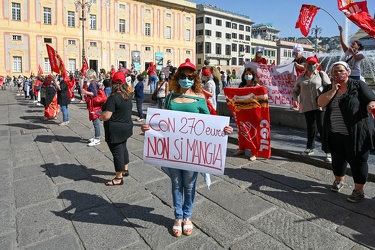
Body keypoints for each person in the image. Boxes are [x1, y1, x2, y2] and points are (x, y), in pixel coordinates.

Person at [141, 58, 233, 237]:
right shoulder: (170, 98)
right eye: (183, 76)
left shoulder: (199, 99)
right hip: (174, 150)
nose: (186, 79)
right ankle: (177, 217)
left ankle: (187, 216)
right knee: (176, 184)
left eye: (190, 76)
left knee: (189, 186)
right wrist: (149, 127)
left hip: (193, 152)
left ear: (195, 79)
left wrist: (224, 129)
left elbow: (210, 124)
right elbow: (162, 121)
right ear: (178, 77)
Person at [317, 61, 375, 203]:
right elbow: (320, 102)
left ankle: (359, 190)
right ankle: (339, 181)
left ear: (347, 72)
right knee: (337, 158)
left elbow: (371, 99)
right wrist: (333, 91)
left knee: (358, 161)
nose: (338, 74)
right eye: (335, 71)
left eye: (341, 71)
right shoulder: (329, 87)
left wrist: (371, 105)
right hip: (334, 132)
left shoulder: (357, 85)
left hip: (356, 133)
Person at [292, 55, 332, 162]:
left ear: (317, 64)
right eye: (309, 64)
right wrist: (294, 99)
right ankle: (310, 148)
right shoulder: (301, 78)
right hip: (306, 105)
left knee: (322, 127)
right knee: (310, 127)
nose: (311, 66)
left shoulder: (321, 74)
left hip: (320, 105)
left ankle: (328, 151)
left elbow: (329, 87)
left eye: (314, 64)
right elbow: (295, 91)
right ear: (305, 65)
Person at [99, 72, 133, 186]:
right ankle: (125, 169)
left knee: (117, 152)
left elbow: (107, 116)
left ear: (112, 83)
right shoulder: (128, 95)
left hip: (115, 130)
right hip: (126, 127)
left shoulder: (113, 98)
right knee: (123, 148)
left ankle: (118, 178)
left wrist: (100, 116)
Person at [233, 67, 259, 161]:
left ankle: (254, 152)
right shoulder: (241, 85)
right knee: (241, 131)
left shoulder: (256, 85)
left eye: (249, 74)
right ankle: (242, 148)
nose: (248, 76)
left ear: (253, 75)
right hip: (242, 112)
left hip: (253, 113)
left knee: (253, 132)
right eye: (246, 74)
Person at [81, 69, 102, 147]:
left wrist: (85, 92)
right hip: (95, 105)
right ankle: (97, 136)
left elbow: (94, 94)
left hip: (94, 105)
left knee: (96, 121)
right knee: (95, 121)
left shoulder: (93, 83)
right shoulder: (94, 82)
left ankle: (97, 138)